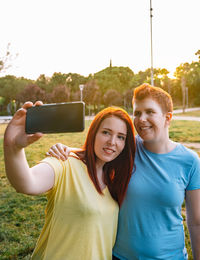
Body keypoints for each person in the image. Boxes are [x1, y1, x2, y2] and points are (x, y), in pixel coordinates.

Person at [47, 83, 200, 260]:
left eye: (150, 112)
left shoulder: (190, 161)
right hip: (120, 256)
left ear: (168, 117)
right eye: (137, 113)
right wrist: (65, 149)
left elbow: (196, 222)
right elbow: (98, 150)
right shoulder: (127, 148)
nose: (142, 119)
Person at [3, 102, 135, 260]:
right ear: (93, 133)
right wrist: (13, 147)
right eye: (106, 132)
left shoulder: (114, 178)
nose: (112, 142)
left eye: (121, 137)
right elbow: (26, 183)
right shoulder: (65, 162)